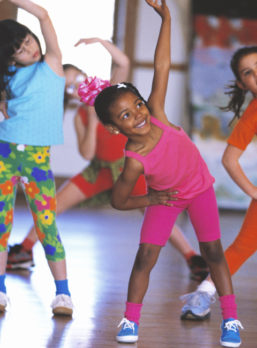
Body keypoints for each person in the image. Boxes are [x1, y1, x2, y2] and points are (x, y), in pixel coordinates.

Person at [78, 1, 243, 346]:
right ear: (112, 128)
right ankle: (129, 320)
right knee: (145, 257)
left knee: (213, 252)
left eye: (136, 104)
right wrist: (151, 198)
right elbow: (118, 200)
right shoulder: (134, 159)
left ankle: (230, 319)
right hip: (165, 198)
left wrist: (166, 17)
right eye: (124, 116)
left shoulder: (158, 116)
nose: (137, 114)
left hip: (199, 190)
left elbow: (161, 65)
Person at [6, 37, 209, 282]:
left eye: (76, 80)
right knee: (55, 202)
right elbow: (88, 154)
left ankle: (191, 257)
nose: (73, 88)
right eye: (67, 88)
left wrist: (101, 41)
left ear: (86, 77)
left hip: (128, 169)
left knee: (154, 211)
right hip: (99, 170)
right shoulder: (79, 117)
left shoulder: (113, 96)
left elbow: (123, 61)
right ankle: (25, 250)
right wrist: (92, 121)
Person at [0, 0, 73, 315]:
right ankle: (0, 289)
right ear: (10, 56)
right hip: (4, 152)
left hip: (37, 161)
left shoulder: (53, 64)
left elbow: (43, 14)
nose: (29, 48)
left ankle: (63, 294)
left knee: (47, 224)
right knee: (1, 223)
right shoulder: (9, 74)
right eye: (19, 48)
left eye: (28, 40)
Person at [180, 45, 257, 326]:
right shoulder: (253, 113)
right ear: (242, 83)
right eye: (249, 72)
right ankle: (202, 294)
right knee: (241, 248)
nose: (256, 73)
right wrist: (253, 192)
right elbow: (230, 159)